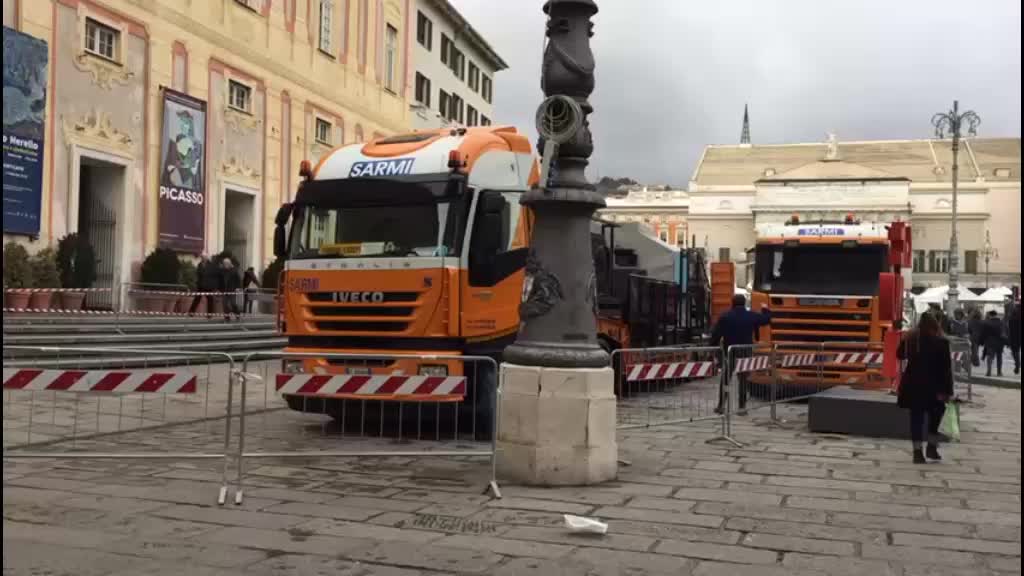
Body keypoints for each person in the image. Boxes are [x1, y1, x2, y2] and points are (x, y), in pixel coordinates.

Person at [897, 312, 954, 464]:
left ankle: (917, 452)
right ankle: (932, 447)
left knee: (916, 419)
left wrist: (903, 341)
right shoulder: (942, 342)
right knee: (935, 418)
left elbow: (900, 355)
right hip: (935, 387)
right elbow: (946, 369)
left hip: (914, 385)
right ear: (935, 324)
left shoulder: (912, 340)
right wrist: (947, 391)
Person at [711, 294, 771, 415]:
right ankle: (742, 408)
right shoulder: (751, 315)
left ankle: (721, 405)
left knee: (726, 379)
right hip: (745, 352)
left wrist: (713, 348)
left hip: (730, 352)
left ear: (732, 303)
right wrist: (765, 308)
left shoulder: (725, 316)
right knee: (743, 379)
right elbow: (766, 319)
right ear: (744, 303)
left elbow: (716, 335)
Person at [981, 310, 1006, 378]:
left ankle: (989, 371)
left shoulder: (986, 323)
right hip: (999, 343)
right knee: (999, 357)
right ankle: (999, 372)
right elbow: (1004, 332)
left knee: (990, 357)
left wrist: (982, 341)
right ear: (996, 315)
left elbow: (984, 334)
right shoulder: (1001, 323)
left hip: (990, 342)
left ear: (990, 315)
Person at [1010, 303, 1021, 375]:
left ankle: (1017, 364)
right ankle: (1017, 364)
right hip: (1017, 336)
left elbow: (1010, 329)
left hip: (1015, 338)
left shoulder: (1013, 317)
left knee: (1015, 352)